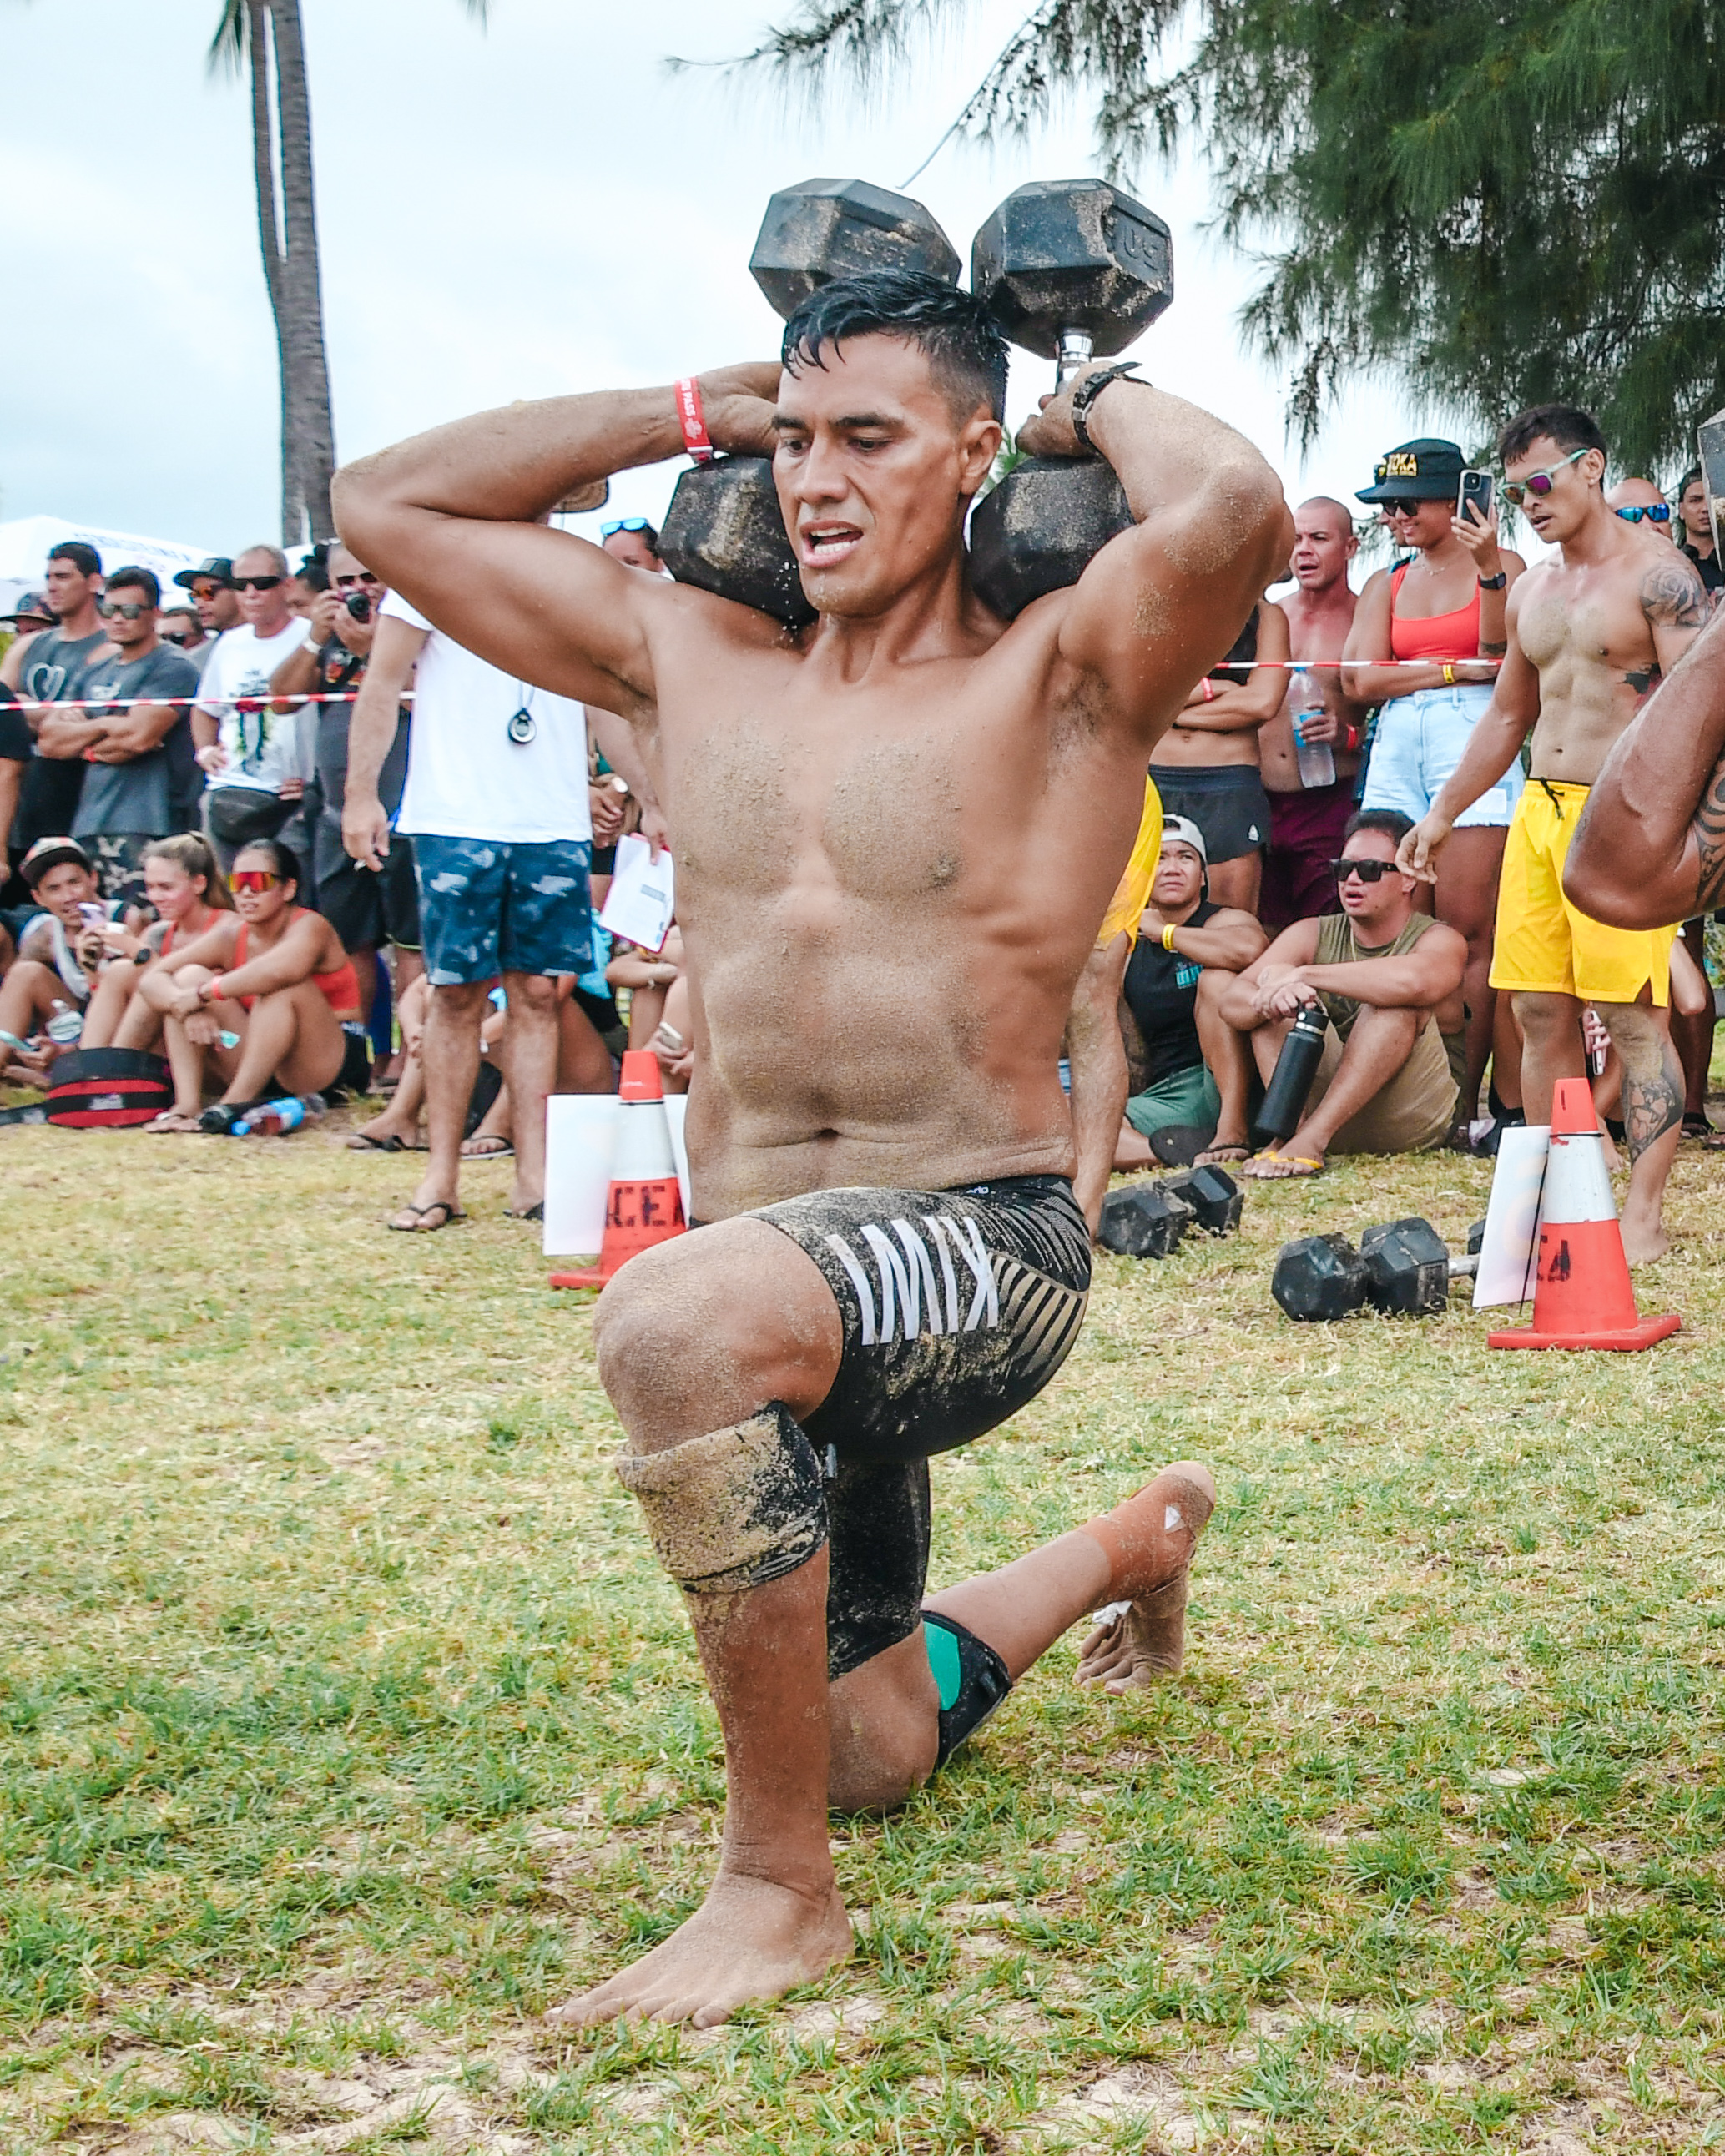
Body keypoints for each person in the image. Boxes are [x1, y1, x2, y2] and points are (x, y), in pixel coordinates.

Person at [335, 267, 1290, 2028]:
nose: (815, 478)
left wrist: (1092, 401)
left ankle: (778, 1891)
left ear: (972, 455)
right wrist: (689, 408)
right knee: (863, 1743)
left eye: (868, 436)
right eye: (795, 439)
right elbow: (383, 500)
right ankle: (1136, 1536)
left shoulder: (1063, 670)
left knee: (671, 1321)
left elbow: (1234, 509)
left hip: (978, 1246)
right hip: (788, 1288)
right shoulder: (685, 655)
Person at [1400, 405, 1709, 1261]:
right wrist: (1441, 813)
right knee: (1538, 1012)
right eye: (1513, 490)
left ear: (1591, 468)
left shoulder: (1661, 578)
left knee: (1632, 1019)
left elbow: (1701, 714)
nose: (1527, 502)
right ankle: (1576, 1196)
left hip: (1627, 819)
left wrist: (1698, 838)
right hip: (1541, 811)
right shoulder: (1531, 587)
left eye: (1540, 482)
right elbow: (1507, 717)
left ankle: (1642, 1217)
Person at [340, 573, 600, 1229]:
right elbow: (379, 683)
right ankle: (441, 1176)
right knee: (455, 994)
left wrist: (646, 795)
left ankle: (533, 1177)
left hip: (553, 820)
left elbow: (605, 699)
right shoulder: (427, 573)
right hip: (455, 816)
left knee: (540, 995)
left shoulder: (573, 574)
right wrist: (360, 795)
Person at [1344, 439, 1527, 1134]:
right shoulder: (1384, 581)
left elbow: (1499, 658)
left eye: (1405, 502)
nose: (1392, 517)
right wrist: (1448, 671)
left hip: (1472, 732)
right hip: (1400, 731)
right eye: (1384, 506)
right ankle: (1406, 1092)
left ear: (1455, 498)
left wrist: (1484, 569)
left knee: (1465, 925)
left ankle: (1463, 1101)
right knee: (1399, 913)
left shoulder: (1504, 565)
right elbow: (1359, 680)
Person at [1219, 809, 1466, 1176]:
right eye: (1341, 869)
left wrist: (1304, 975)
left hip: (1412, 1117)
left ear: (1408, 879)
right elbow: (1231, 1001)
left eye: (1369, 870)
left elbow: (1415, 983)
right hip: (1328, 1110)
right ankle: (1290, 1134)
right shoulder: (1311, 932)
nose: (1351, 880)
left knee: (1395, 1005)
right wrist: (1273, 996)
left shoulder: (1439, 938)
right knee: (1275, 1004)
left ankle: (1311, 1140)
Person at [269, 542, 422, 1050]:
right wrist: (316, 638)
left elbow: (423, 705)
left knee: (411, 942)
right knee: (349, 939)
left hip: (406, 810)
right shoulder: (332, 635)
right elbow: (281, 700)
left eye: (370, 576)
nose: (359, 590)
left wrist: (372, 653)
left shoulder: (412, 630)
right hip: (337, 814)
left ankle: (406, 1055)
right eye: (345, 582)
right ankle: (364, 1051)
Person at [137, 839, 364, 1131]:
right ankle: (187, 1106)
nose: (246, 893)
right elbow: (152, 978)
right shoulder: (230, 936)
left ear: (288, 889)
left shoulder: (310, 926)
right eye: (238, 882)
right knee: (188, 975)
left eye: (258, 882)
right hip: (264, 1061)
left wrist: (202, 995)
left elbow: (281, 970)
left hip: (328, 1062)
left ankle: (232, 1104)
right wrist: (185, 1006)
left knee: (283, 988)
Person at [33, 568, 202, 909]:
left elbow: (139, 737)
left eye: (129, 610)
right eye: (109, 610)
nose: (117, 619)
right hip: (90, 824)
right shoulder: (94, 671)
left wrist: (85, 736)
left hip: (151, 823)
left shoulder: (172, 666)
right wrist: (111, 727)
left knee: (145, 924)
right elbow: (50, 741)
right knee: (100, 928)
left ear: (155, 613)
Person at [1112, 818, 1266, 1168]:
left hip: (1232, 1083)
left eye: (1185, 857)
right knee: (1073, 1116)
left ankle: (1233, 1129)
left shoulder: (1226, 921)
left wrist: (1164, 932)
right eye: (1159, 858)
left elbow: (1249, 950)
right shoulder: (1128, 949)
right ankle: (1180, 1154)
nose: (1171, 868)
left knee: (1216, 982)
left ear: (1202, 875)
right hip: (1171, 1094)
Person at [1259, 500, 1368, 933]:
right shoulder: (1269, 616)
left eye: (1319, 539)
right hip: (1260, 795)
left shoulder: (1365, 619)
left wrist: (1349, 736)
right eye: (1296, 539)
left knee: (1328, 925)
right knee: (1260, 924)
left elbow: (1395, 709)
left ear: (1350, 547)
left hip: (1328, 795)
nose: (1304, 550)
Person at [1147, 599, 1289, 912]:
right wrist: (1216, 690)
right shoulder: (1151, 600)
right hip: (1155, 779)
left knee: (1230, 918)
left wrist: (1166, 714)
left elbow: (1262, 702)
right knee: (1139, 921)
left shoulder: (1267, 615)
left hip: (1227, 783)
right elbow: (1135, 695)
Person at [192, 545, 310, 864]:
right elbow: (205, 708)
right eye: (240, 585)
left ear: (286, 585)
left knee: (287, 895)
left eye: (263, 583)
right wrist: (205, 751)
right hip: (230, 789)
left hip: (290, 797)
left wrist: (317, 783)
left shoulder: (311, 636)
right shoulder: (230, 644)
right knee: (231, 895)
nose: (251, 593)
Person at [1, 543, 108, 880]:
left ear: (93, 583)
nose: (52, 586)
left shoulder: (111, 646)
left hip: (83, 798)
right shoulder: (29, 645)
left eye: (63, 576)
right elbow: (5, 712)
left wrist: (30, 709)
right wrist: (57, 717)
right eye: (48, 577)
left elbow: (103, 724)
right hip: (23, 799)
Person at [80, 833, 235, 1050]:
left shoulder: (227, 927)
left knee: (158, 977)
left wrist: (140, 952)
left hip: (225, 1040)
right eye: (150, 887)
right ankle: (91, 1074)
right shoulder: (158, 933)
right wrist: (91, 969)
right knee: (121, 970)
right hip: (175, 1040)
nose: (154, 897)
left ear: (199, 884)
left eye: (165, 887)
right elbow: (125, 1010)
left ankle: (110, 1076)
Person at [0, 836, 130, 1063]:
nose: (68, 897)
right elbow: (17, 994)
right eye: (54, 889)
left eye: (74, 883)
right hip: (74, 1025)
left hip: (121, 1028)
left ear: (93, 879)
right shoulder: (44, 934)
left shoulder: (125, 919)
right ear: (38, 897)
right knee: (25, 973)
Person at [1674, 466, 1722, 600]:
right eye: (1696, 500)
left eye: (1711, 500)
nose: (1705, 508)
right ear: (1681, 510)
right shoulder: (1670, 564)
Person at [600, 517, 667, 573]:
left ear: (660, 563)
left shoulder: (675, 588)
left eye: (632, 562)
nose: (619, 571)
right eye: (611, 564)